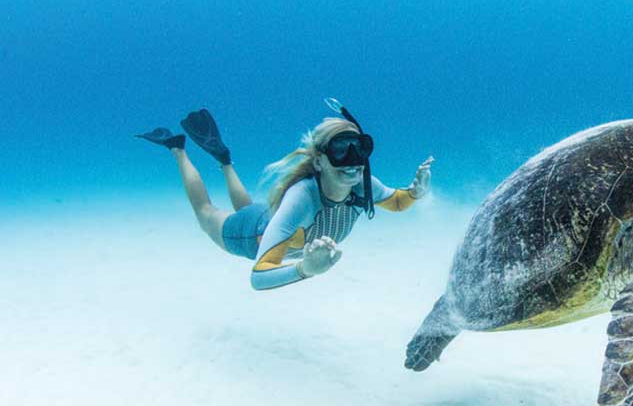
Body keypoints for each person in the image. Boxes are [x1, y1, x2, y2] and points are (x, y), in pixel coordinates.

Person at [136, 99, 433, 290]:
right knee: (205, 212)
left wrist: (415, 193)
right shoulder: (302, 197)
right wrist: (305, 269)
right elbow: (258, 276)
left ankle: (224, 159)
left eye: (361, 148)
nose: (354, 160)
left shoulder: (361, 182)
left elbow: (395, 201)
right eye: (341, 150)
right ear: (319, 161)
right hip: (247, 236)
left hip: (270, 218)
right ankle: (177, 148)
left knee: (250, 208)